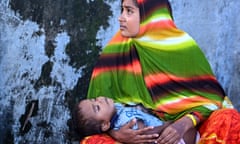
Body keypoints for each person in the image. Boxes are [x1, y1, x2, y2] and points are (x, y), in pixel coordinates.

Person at [83, 0, 240, 143]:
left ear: (150, 16)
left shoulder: (182, 48)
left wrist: (184, 124)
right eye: (122, 10)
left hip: (186, 133)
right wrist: (117, 134)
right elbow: (94, 116)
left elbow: (212, 99)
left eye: (129, 11)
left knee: (229, 120)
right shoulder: (116, 51)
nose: (121, 18)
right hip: (137, 138)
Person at [73, 96, 196, 144]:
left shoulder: (116, 109)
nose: (99, 100)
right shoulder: (126, 123)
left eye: (94, 99)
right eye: (97, 107)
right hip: (173, 139)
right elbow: (148, 134)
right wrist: (169, 124)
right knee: (190, 131)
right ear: (105, 124)